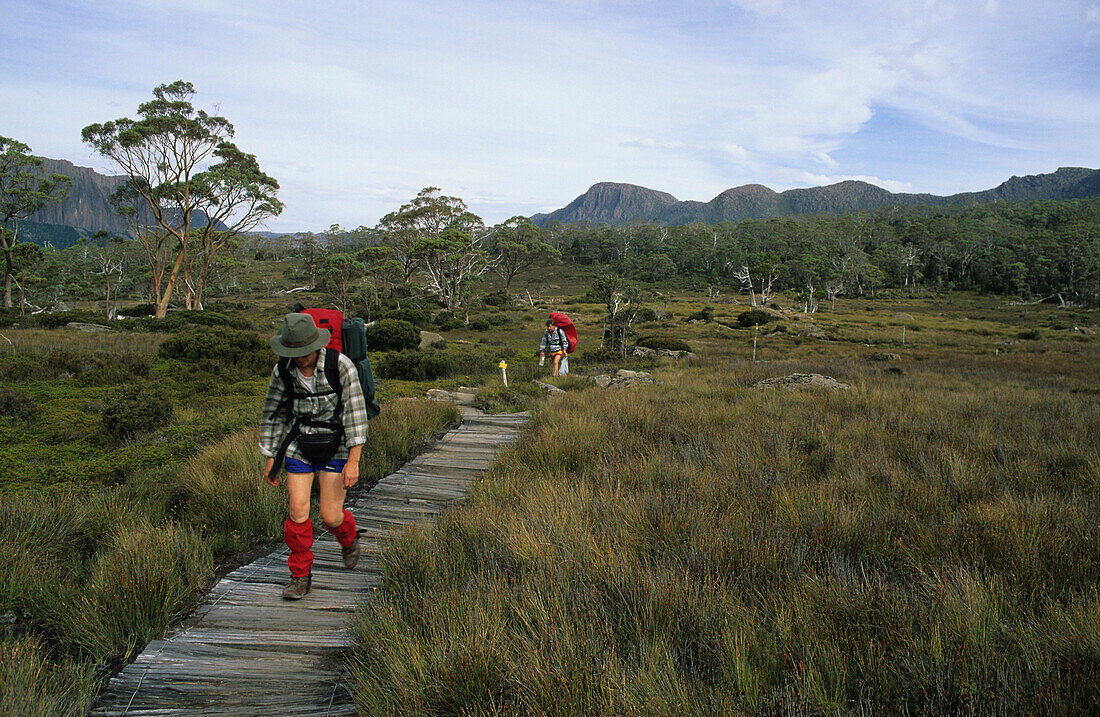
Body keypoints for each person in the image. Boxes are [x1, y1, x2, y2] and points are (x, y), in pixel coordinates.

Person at [260, 313, 369, 600]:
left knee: (330, 516)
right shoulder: (283, 370)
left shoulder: (340, 366)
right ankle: (299, 576)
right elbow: (273, 413)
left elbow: (356, 416)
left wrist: (353, 462)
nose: (298, 358)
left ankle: (348, 538)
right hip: (300, 443)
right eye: (291, 352)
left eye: (302, 352)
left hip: (336, 443)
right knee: (297, 511)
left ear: (316, 346)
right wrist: (271, 455)